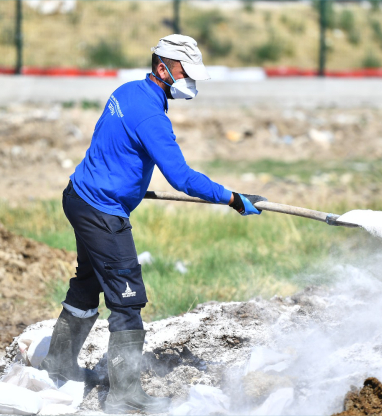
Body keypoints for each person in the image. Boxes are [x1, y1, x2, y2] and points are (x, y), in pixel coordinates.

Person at [39, 34, 266, 414]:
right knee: (128, 301)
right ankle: (125, 396)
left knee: (88, 281)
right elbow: (182, 178)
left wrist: (125, 181)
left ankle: (59, 364)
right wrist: (233, 199)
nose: (189, 82)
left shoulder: (126, 92)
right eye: (184, 73)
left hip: (78, 196)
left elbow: (108, 143)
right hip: (102, 211)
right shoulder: (152, 116)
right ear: (162, 68)